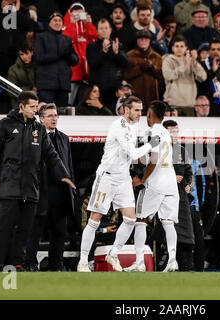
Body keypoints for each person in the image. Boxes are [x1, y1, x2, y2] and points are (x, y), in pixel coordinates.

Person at [0, 91, 75, 272]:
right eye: (32, 106)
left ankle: (17, 263)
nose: (35, 110)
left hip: (31, 188)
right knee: (5, 229)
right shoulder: (4, 126)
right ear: (21, 106)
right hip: (9, 186)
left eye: (36, 106)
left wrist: (64, 174)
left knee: (24, 230)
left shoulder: (38, 129)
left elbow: (51, 155)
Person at [77, 96, 161, 272]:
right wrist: (152, 144)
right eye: (136, 110)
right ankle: (83, 262)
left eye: (141, 110)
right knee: (94, 220)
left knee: (130, 218)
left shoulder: (135, 125)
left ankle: (113, 254)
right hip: (107, 178)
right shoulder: (118, 126)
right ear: (126, 110)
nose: (140, 113)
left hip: (123, 178)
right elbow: (132, 152)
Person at [124, 101, 180, 272]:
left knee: (140, 220)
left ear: (149, 114)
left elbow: (154, 159)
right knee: (168, 222)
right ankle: (172, 259)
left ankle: (139, 263)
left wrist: (142, 179)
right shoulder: (166, 133)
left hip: (155, 182)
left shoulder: (151, 132)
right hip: (170, 181)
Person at [24, 103, 76, 271]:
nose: (54, 119)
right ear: (41, 119)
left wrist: (71, 191)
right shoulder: (33, 137)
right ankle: (30, 264)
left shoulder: (64, 138)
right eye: (50, 116)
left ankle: (56, 265)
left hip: (60, 195)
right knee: (35, 232)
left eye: (56, 116)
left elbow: (68, 166)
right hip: (40, 192)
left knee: (59, 232)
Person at [163, 119, 195, 271]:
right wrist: (171, 178)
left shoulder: (181, 150)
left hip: (181, 197)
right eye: (172, 131)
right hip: (163, 196)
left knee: (186, 233)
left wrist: (188, 184)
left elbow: (189, 171)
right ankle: (165, 262)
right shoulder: (158, 149)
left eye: (177, 131)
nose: (175, 134)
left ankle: (186, 265)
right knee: (167, 230)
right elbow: (151, 173)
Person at [33, 12, 79, 108]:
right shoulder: (41, 37)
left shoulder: (67, 39)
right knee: (45, 113)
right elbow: (38, 58)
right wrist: (59, 54)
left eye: (59, 21)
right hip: (46, 85)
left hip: (63, 85)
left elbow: (75, 61)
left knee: (62, 115)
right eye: (55, 20)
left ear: (62, 24)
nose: (57, 23)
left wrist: (69, 53)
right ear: (49, 23)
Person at [87, 18, 130, 108]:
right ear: (97, 31)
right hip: (98, 88)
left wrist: (117, 53)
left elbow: (126, 63)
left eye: (106, 28)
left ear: (110, 30)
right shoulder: (91, 46)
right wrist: (103, 51)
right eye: (101, 28)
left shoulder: (117, 45)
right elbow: (92, 63)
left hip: (114, 89)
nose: (104, 31)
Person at [162, 35, 207, 116]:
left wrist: (195, 63)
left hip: (189, 104)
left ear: (186, 48)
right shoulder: (167, 60)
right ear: (172, 48)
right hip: (173, 104)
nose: (179, 48)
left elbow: (203, 77)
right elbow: (168, 76)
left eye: (182, 46)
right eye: (177, 46)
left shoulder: (191, 61)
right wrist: (184, 66)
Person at [62, 3, 98, 106]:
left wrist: (89, 24)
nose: (78, 14)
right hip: (73, 73)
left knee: (83, 104)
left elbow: (94, 40)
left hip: (86, 73)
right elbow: (67, 42)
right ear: (70, 13)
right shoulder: (65, 26)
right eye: (75, 12)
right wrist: (72, 24)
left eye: (80, 12)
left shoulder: (85, 27)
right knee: (69, 104)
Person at [123, 30, 163, 114]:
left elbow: (161, 76)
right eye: (141, 39)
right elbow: (125, 75)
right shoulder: (129, 55)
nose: (143, 41)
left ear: (149, 41)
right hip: (135, 96)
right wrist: (140, 68)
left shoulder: (157, 57)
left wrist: (152, 68)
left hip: (152, 96)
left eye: (146, 39)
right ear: (137, 41)